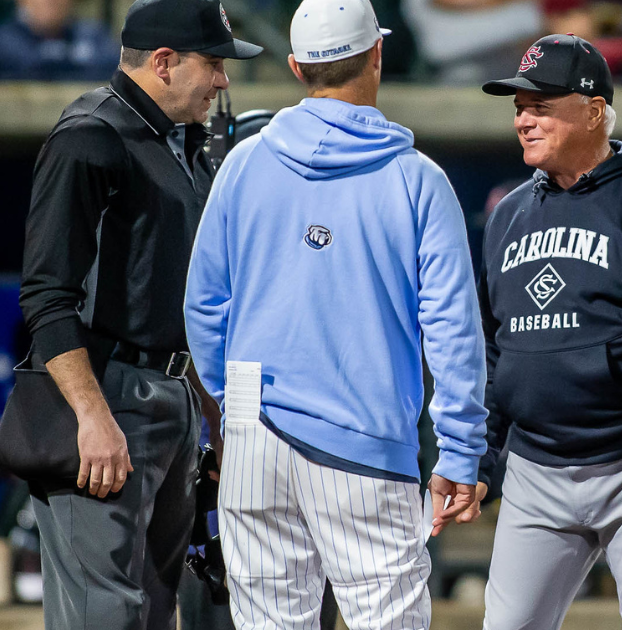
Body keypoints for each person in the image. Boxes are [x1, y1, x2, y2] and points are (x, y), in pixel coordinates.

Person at [183, 0, 488, 627]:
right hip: (366, 448)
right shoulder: (417, 180)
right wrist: (459, 452)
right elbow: (453, 332)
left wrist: (232, 413)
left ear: (295, 67)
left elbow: (204, 306)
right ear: (377, 55)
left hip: (255, 439)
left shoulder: (243, 163)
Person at [16, 0, 260, 626]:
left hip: (171, 399)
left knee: (154, 610)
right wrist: (92, 418)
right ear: (163, 62)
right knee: (106, 614)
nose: (223, 81)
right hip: (105, 397)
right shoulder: (90, 135)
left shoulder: (173, 140)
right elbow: (47, 296)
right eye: (214, 64)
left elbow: (180, 300)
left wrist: (211, 413)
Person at [474, 33, 622, 630]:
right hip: (535, 468)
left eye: (541, 106)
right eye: (519, 106)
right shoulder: (508, 214)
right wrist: (481, 456)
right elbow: (497, 352)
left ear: (594, 109)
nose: (523, 119)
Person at [0, 0, 120, 81]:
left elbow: (114, 70)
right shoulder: (6, 37)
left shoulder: (94, 34)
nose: (52, 1)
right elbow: (31, 70)